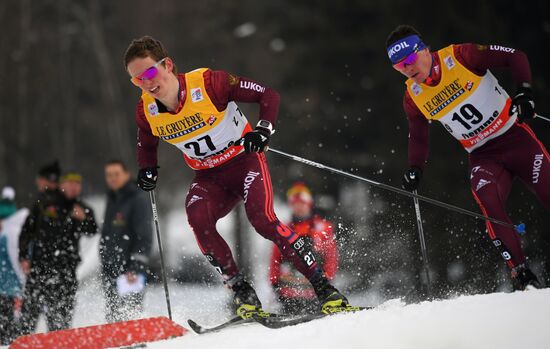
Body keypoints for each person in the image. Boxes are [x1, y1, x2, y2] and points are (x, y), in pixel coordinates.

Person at [123, 35, 354, 318]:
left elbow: (268, 95)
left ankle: (324, 288)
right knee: (198, 219)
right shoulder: (146, 109)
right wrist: (147, 168)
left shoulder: (208, 84)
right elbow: (146, 141)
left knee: (262, 220)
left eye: (149, 72)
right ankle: (242, 291)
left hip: (244, 162)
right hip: (209, 177)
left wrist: (263, 129)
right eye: (137, 80)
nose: (146, 83)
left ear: (167, 65)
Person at [386, 25, 549, 290]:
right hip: (483, 156)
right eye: (398, 67)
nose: (407, 69)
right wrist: (415, 168)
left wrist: (524, 93)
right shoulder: (413, 96)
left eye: (410, 61)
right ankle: (522, 275)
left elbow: (515, 56)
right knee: (489, 202)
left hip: (516, 139)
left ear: (423, 50)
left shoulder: (461, 56)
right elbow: (418, 135)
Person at [18, 169, 97, 334]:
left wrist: (84, 219)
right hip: (39, 270)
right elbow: (26, 232)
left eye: (77, 184)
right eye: (70, 184)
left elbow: (93, 230)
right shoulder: (44, 203)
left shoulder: (82, 208)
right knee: (28, 319)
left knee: (60, 323)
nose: (73, 188)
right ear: (61, 185)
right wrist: (24, 257)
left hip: (66, 273)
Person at [269, 183, 338, 315]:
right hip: (288, 294)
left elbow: (331, 257)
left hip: (316, 293)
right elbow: (275, 259)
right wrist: (274, 282)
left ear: (309, 204)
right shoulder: (283, 230)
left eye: (302, 203)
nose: (299, 207)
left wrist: (327, 279)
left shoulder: (324, 228)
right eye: (295, 204)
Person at [100, 160, 152, 323]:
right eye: (109, 175)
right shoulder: (112, 198)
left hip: (130, 270)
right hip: (111, 268)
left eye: (116, 174)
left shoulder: (137, 198)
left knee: (130, 319)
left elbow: (144, 235)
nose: (112, 178)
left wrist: (136, 266)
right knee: (114, 319)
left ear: (126, 174)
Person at [0, 187, 28, 345]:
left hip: (9, 290)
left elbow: (16, 260)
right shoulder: (6, 233)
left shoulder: (10, 233)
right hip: (6, 289)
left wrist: (23, 285)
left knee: (8, 329)